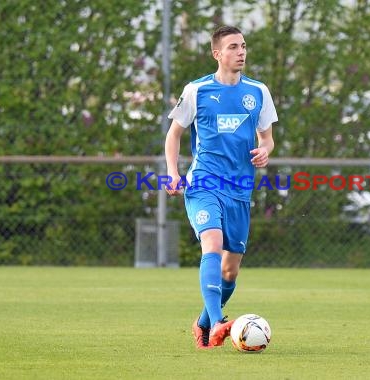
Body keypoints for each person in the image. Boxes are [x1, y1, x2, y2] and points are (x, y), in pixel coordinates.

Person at [164, 25, 278, 349]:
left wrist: (265, 150)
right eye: (233, 47)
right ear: (217, 53)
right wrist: (173, 173)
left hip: (240, 190)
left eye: (243, 46)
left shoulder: (258, 92)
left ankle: (202, 322)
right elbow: (174, 134)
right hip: (204, 183)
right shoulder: (197, 90)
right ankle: (217, 323)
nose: (241, 52)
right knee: (211, 244)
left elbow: (267, 137)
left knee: (230, 272)